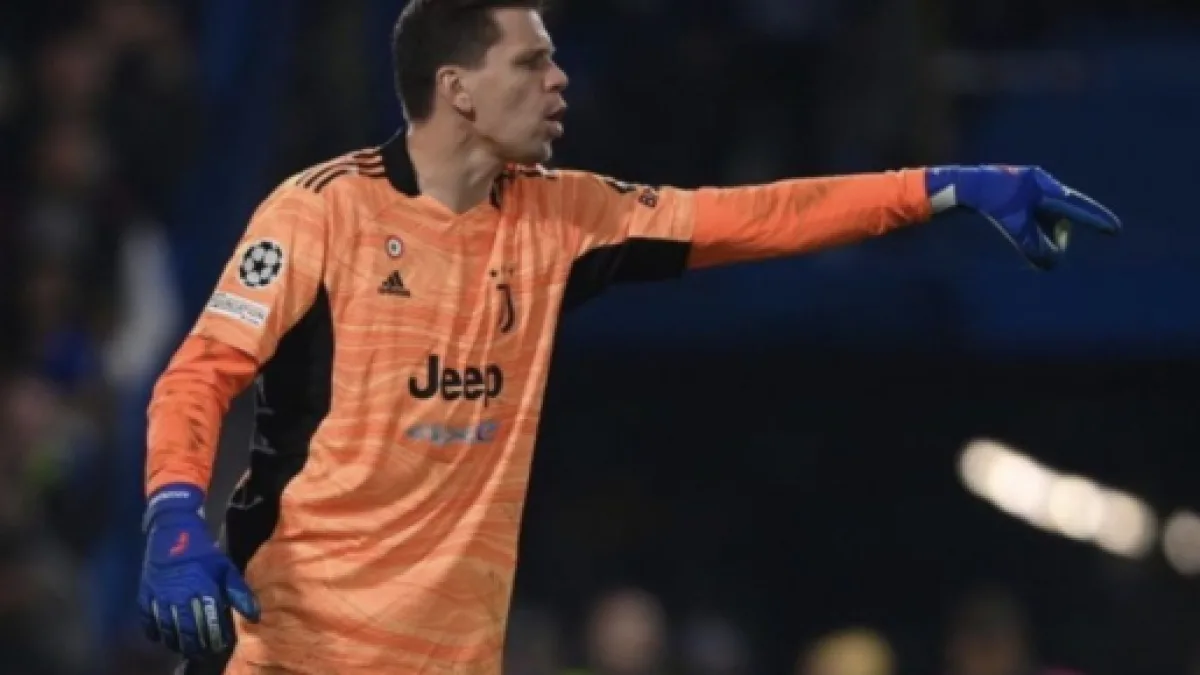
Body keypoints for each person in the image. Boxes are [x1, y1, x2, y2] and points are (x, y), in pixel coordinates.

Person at [136, 1, 1122, 673]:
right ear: (458, 88)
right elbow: (200, 374)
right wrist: (175, 515)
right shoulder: (320, 214)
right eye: (533, 61)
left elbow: (761, 215)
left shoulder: (568, 218)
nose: (561, 79)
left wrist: (944, 186)